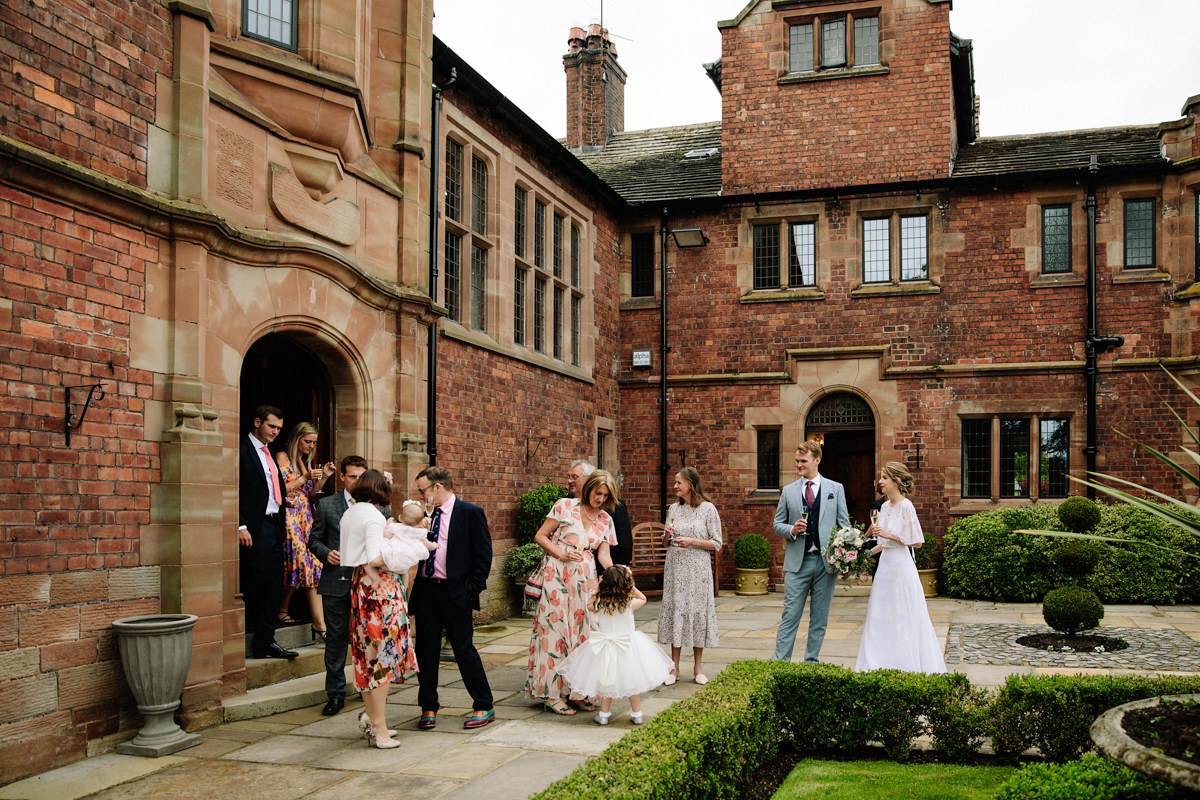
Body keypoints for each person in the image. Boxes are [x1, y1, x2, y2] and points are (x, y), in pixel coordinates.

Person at [339, 469, 420, 748]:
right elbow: (375, 558)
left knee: (365, 655)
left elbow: (357, 557)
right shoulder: (373, 516)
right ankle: (379, 729)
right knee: (382, 658)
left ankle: (372, 718)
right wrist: (404, 556)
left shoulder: (351, 512)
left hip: (360, 589)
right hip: (380, 593)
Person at [410, 466, 496, 730]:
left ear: (437, 487)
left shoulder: (470, 513)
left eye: (422, 490)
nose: (420, 496)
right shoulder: (423, 515)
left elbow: (484, 556)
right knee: (425, 651)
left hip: (455, 591)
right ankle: (428, 707)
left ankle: (484, 704)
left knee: (463, 649)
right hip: (426, 590)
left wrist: (472, 589)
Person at [525, 469, 617, 714]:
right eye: (598, 493)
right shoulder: (564, 506)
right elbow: (541, 536)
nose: (600, 499)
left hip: (586, 581)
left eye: (605, 496)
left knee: (584, 634)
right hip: (557, 576)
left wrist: (618, 574)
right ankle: (553, 694)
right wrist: (561, 554)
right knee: (555, 632)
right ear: (589, 488)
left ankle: (577, 692)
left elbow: (604, 556)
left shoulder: (606, 520)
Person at [855, 462, 947, 674]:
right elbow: (882, 544)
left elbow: (917, 542)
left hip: (901, 568)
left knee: (902, 615)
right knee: (880, 615)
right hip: (885, 569)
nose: (880, 481)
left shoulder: (907, 506)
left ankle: (905, 666)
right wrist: (862, 555)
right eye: (881, 477)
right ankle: (878, 663)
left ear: (896, 481)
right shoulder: (884, 507)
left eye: (885, 478)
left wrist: (889, 535)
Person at [555, 565, 673, 726]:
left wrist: (598, 587)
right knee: (633, 681)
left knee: (606, 681)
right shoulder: (629, 603)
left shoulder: (601, 603)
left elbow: (588, 605)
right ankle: (637, 713)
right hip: (628, 647)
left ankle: (604, 714)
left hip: (605, 647)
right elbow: (644, 599)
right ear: (626, 583)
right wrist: (630, 585)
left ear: (605, 583)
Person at [772, 441, 850, 663]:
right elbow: (777, 524)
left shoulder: (836, 489)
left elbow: (844, 527)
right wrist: (791, 529)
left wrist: (844, 558)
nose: (799, 465)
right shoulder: (788, 491)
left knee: (819, 618)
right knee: (790, 615)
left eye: (803, 461)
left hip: (826, 564)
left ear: (817, 460)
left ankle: (811, 663)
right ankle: (781, 663)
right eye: (797, 461)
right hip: (798, 563)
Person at [307, 455, 368, 715]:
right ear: (342, 477)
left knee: (366, 639)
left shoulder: (376, 506)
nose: (357, 481)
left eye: (361, 477)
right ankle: (335, 694)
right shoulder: (328, 504)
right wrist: (326, 553)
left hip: (367, 584)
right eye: (352, 476)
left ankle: (368, 689)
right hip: (335, 582)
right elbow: (314, 539)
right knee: (335, 640)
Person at [237, 404, 297, 660]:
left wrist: (283, 500)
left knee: (274, 582)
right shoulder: (241, 449)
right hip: (254, 527)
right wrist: (240, 524)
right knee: (256, 582)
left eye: (279, 428)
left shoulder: (270, 451)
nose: (275, 432)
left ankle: (266, 641)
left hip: (275, 524)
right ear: (256, 422)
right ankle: (248, 640)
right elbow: (233, 487)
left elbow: (270, 486)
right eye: (272, 426)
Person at [657, 467, 722, 685]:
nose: (674, 486)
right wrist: (666, 535)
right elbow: (665, 543)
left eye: (678, 483)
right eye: (674, 482)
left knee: (696, 611)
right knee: (678, 610)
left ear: (690, 485)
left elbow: (717, 543)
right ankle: (673, 668)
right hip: (675, 568)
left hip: (698, 569)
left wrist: (692, 541)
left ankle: (698, 667)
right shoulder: (673, 508)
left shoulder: (708, 509)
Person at [275, 423, 335, 639]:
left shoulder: (303, 461)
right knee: (300, 562)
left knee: (311, 564)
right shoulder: (282, 457)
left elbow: (313, 494)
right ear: (296, 439)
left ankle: (283, 609)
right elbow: (282, 488)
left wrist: (325, 476)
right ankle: (319, 625)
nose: (311, 446)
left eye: (313, 442)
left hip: (306, 517)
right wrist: (304, 478)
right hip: (290, 516)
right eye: (307, 441)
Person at [569, 459, 633, 567]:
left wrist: (615, 574)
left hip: (600, 570)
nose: (569, 481)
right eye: (569, 477)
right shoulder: (566, 504)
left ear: (588, 479)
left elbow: (624, 545)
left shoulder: (614, 508)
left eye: (574, 477)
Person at [366, 500, 437, 592]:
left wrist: (388, 524)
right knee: (405, 573)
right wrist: (434, 545)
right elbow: (428, 545)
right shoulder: (420, 532)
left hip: (392, 553)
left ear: (400, 518)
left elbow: (387, 535)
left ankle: (375, 578)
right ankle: (404, 588)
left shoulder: (396, 527)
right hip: (405, 558)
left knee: (367, 562)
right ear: (420, 522)